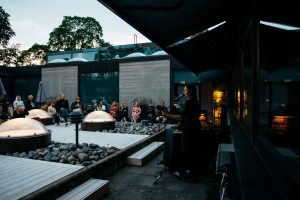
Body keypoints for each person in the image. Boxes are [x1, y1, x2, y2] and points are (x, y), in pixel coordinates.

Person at [162, 84, 201, 182]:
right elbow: (188, 115)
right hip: (195, 128)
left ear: (190, 91)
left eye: (185, 90)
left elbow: (182, 117)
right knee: (192, 151)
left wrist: (167, 115)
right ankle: (192, 173)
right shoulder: (195, 102)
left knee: (190, 151)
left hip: (190, 130)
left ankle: (193, 176)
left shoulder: (189, 103)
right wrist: (180, 108)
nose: (183, 92)